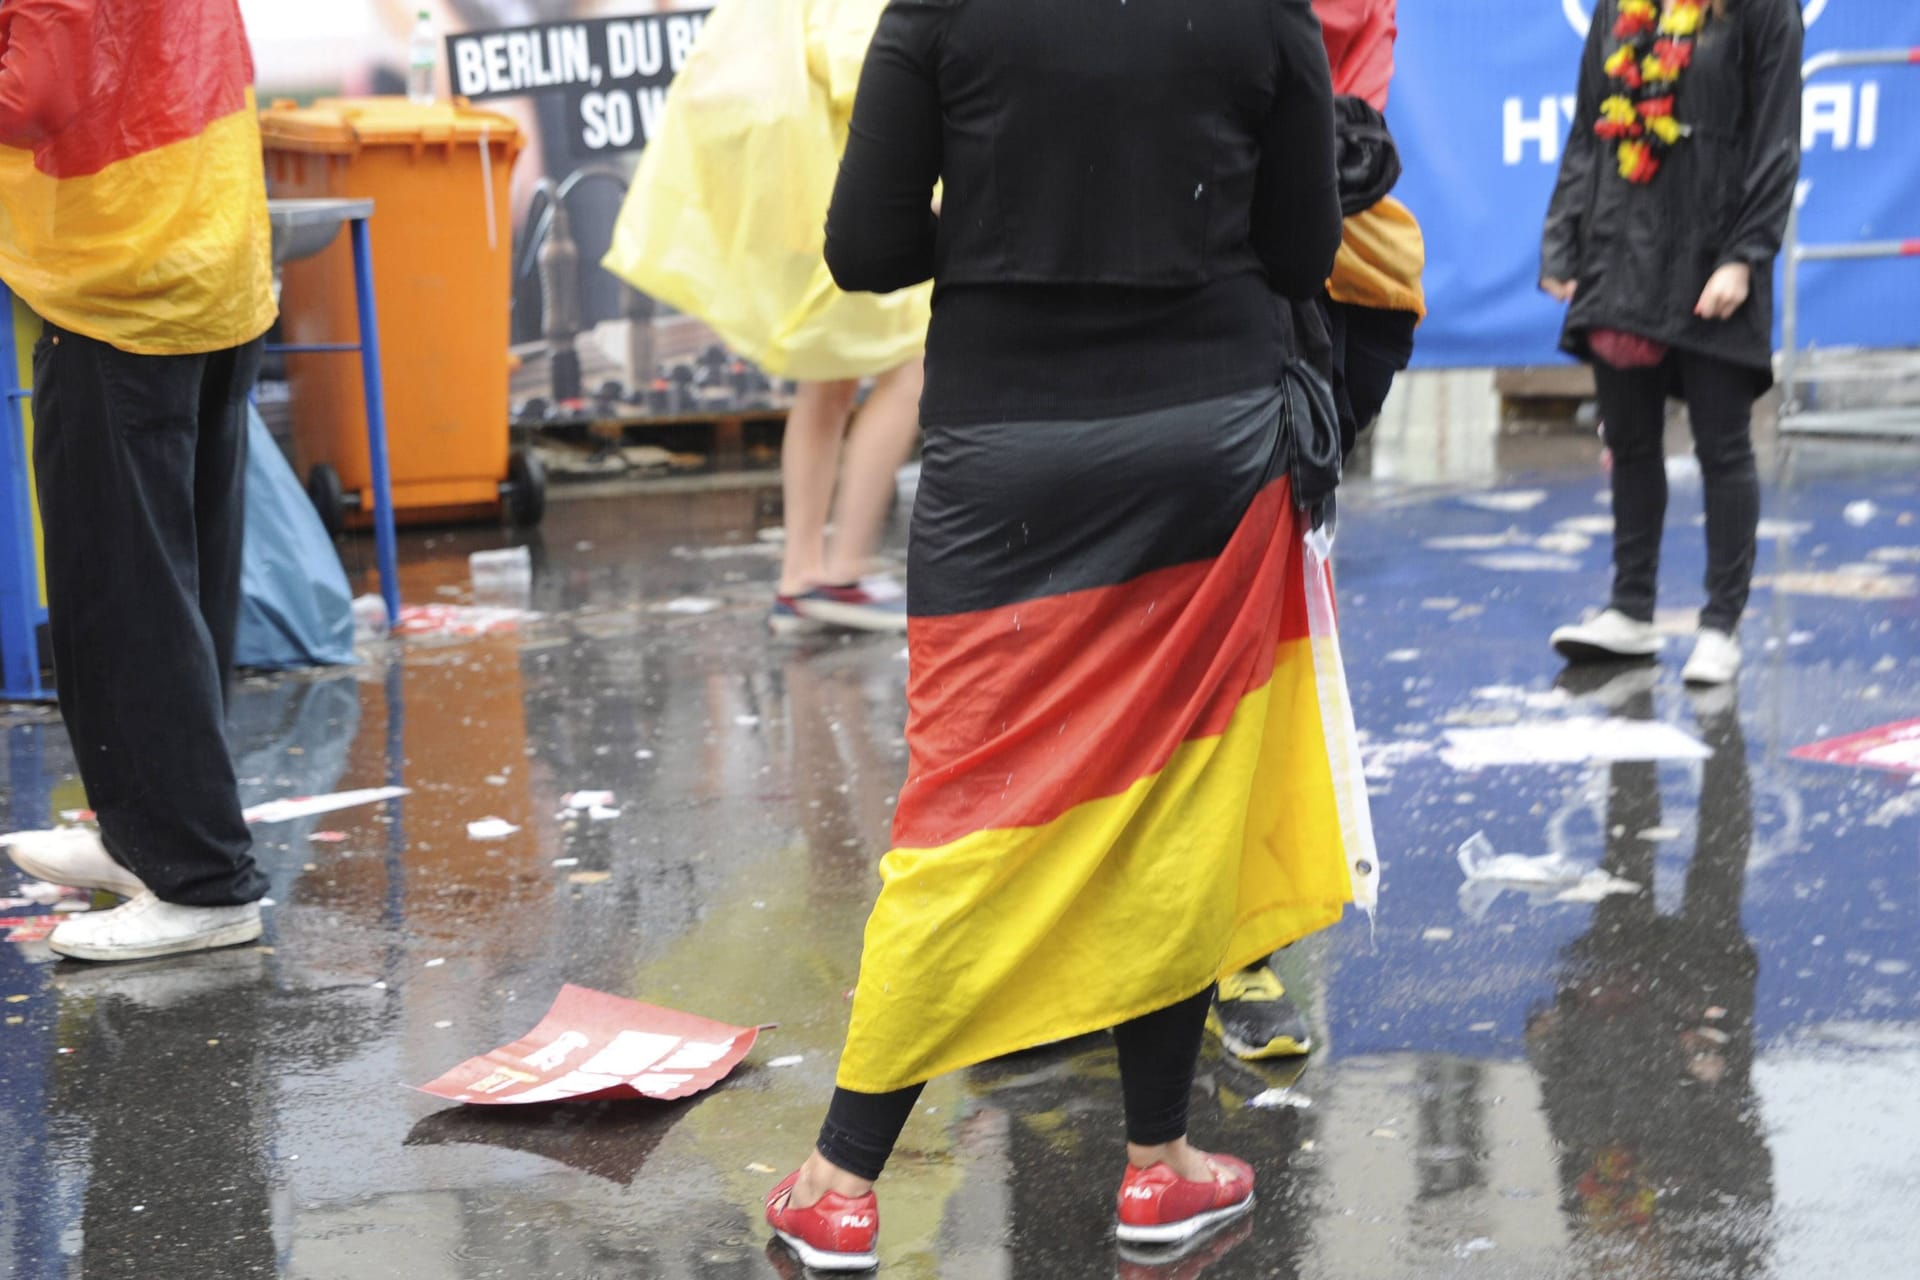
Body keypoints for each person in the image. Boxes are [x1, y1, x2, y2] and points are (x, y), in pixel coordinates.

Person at [762, 0, 1363, 1268]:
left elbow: (866, 246)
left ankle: (840, 1175)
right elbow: (1304, 247)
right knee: (1175, 798)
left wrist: (1006, 227)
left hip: (1005, 457)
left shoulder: (937, 11)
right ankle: (1158, 1166)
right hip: (1207, 448)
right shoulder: (1267, 13)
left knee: (969, 803)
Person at [0, 0, 276, 961]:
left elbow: (31, 95)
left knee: (122, 598)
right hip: (211, 254)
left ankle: (201, 883)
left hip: (119, 278)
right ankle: (153, 840)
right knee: (179, 585)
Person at [1210, 0, 1429, 1065]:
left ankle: (1243, 939)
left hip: (1260, 322)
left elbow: (1346, 142)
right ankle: (1073, 950)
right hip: (1092, 335)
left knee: (1258, 640)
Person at [602, 0, 929, 636]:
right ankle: (843, 572)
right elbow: (859, 64)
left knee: (826, 382)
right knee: (912, 368)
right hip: (840, 188)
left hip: (790, 195)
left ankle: (800, 576)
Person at [1541, 0, 1802, 686]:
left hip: (1712, 243)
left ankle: (1721, 626)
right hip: (1625, 242)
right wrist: (1563, 236)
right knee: (1627, 436)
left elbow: (1777, 141)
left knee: (1722, 442)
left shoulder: (1764, 10)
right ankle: (1630, 611)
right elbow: (1589, 129)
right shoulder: (1619, 8)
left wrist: (1744, 256)